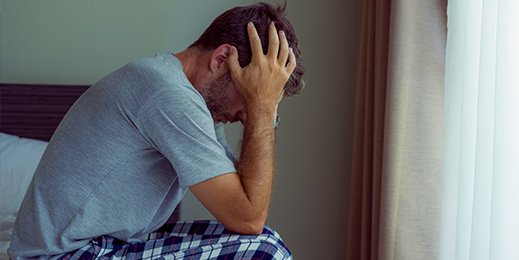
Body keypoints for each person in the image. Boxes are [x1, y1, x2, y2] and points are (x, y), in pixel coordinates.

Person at [8, 2, 304, 260]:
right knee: (266, 252)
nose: (245, 114)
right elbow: (246, 216)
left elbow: (244, 206)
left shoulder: (190, 101)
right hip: (65, 255)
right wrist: (263, 109)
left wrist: (265, 108)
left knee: (265, 240)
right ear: (222, 59)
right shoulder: (167, 93)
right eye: (249, 94)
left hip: (107, 246)